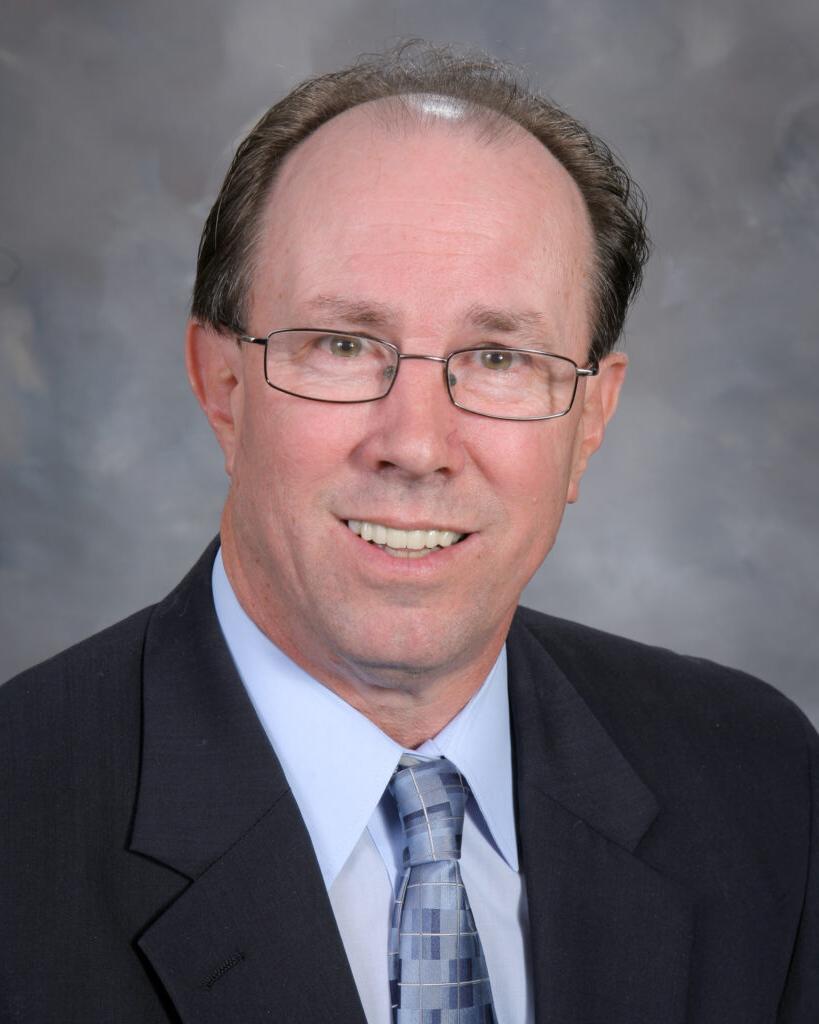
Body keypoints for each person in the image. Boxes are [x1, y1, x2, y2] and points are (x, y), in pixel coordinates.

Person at [1, 44, 816, 1024]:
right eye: (344, 344)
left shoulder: (761, 783)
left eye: (500, 355)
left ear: (590, 419)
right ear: (222, 385)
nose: (418, 444)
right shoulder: (21, 824)